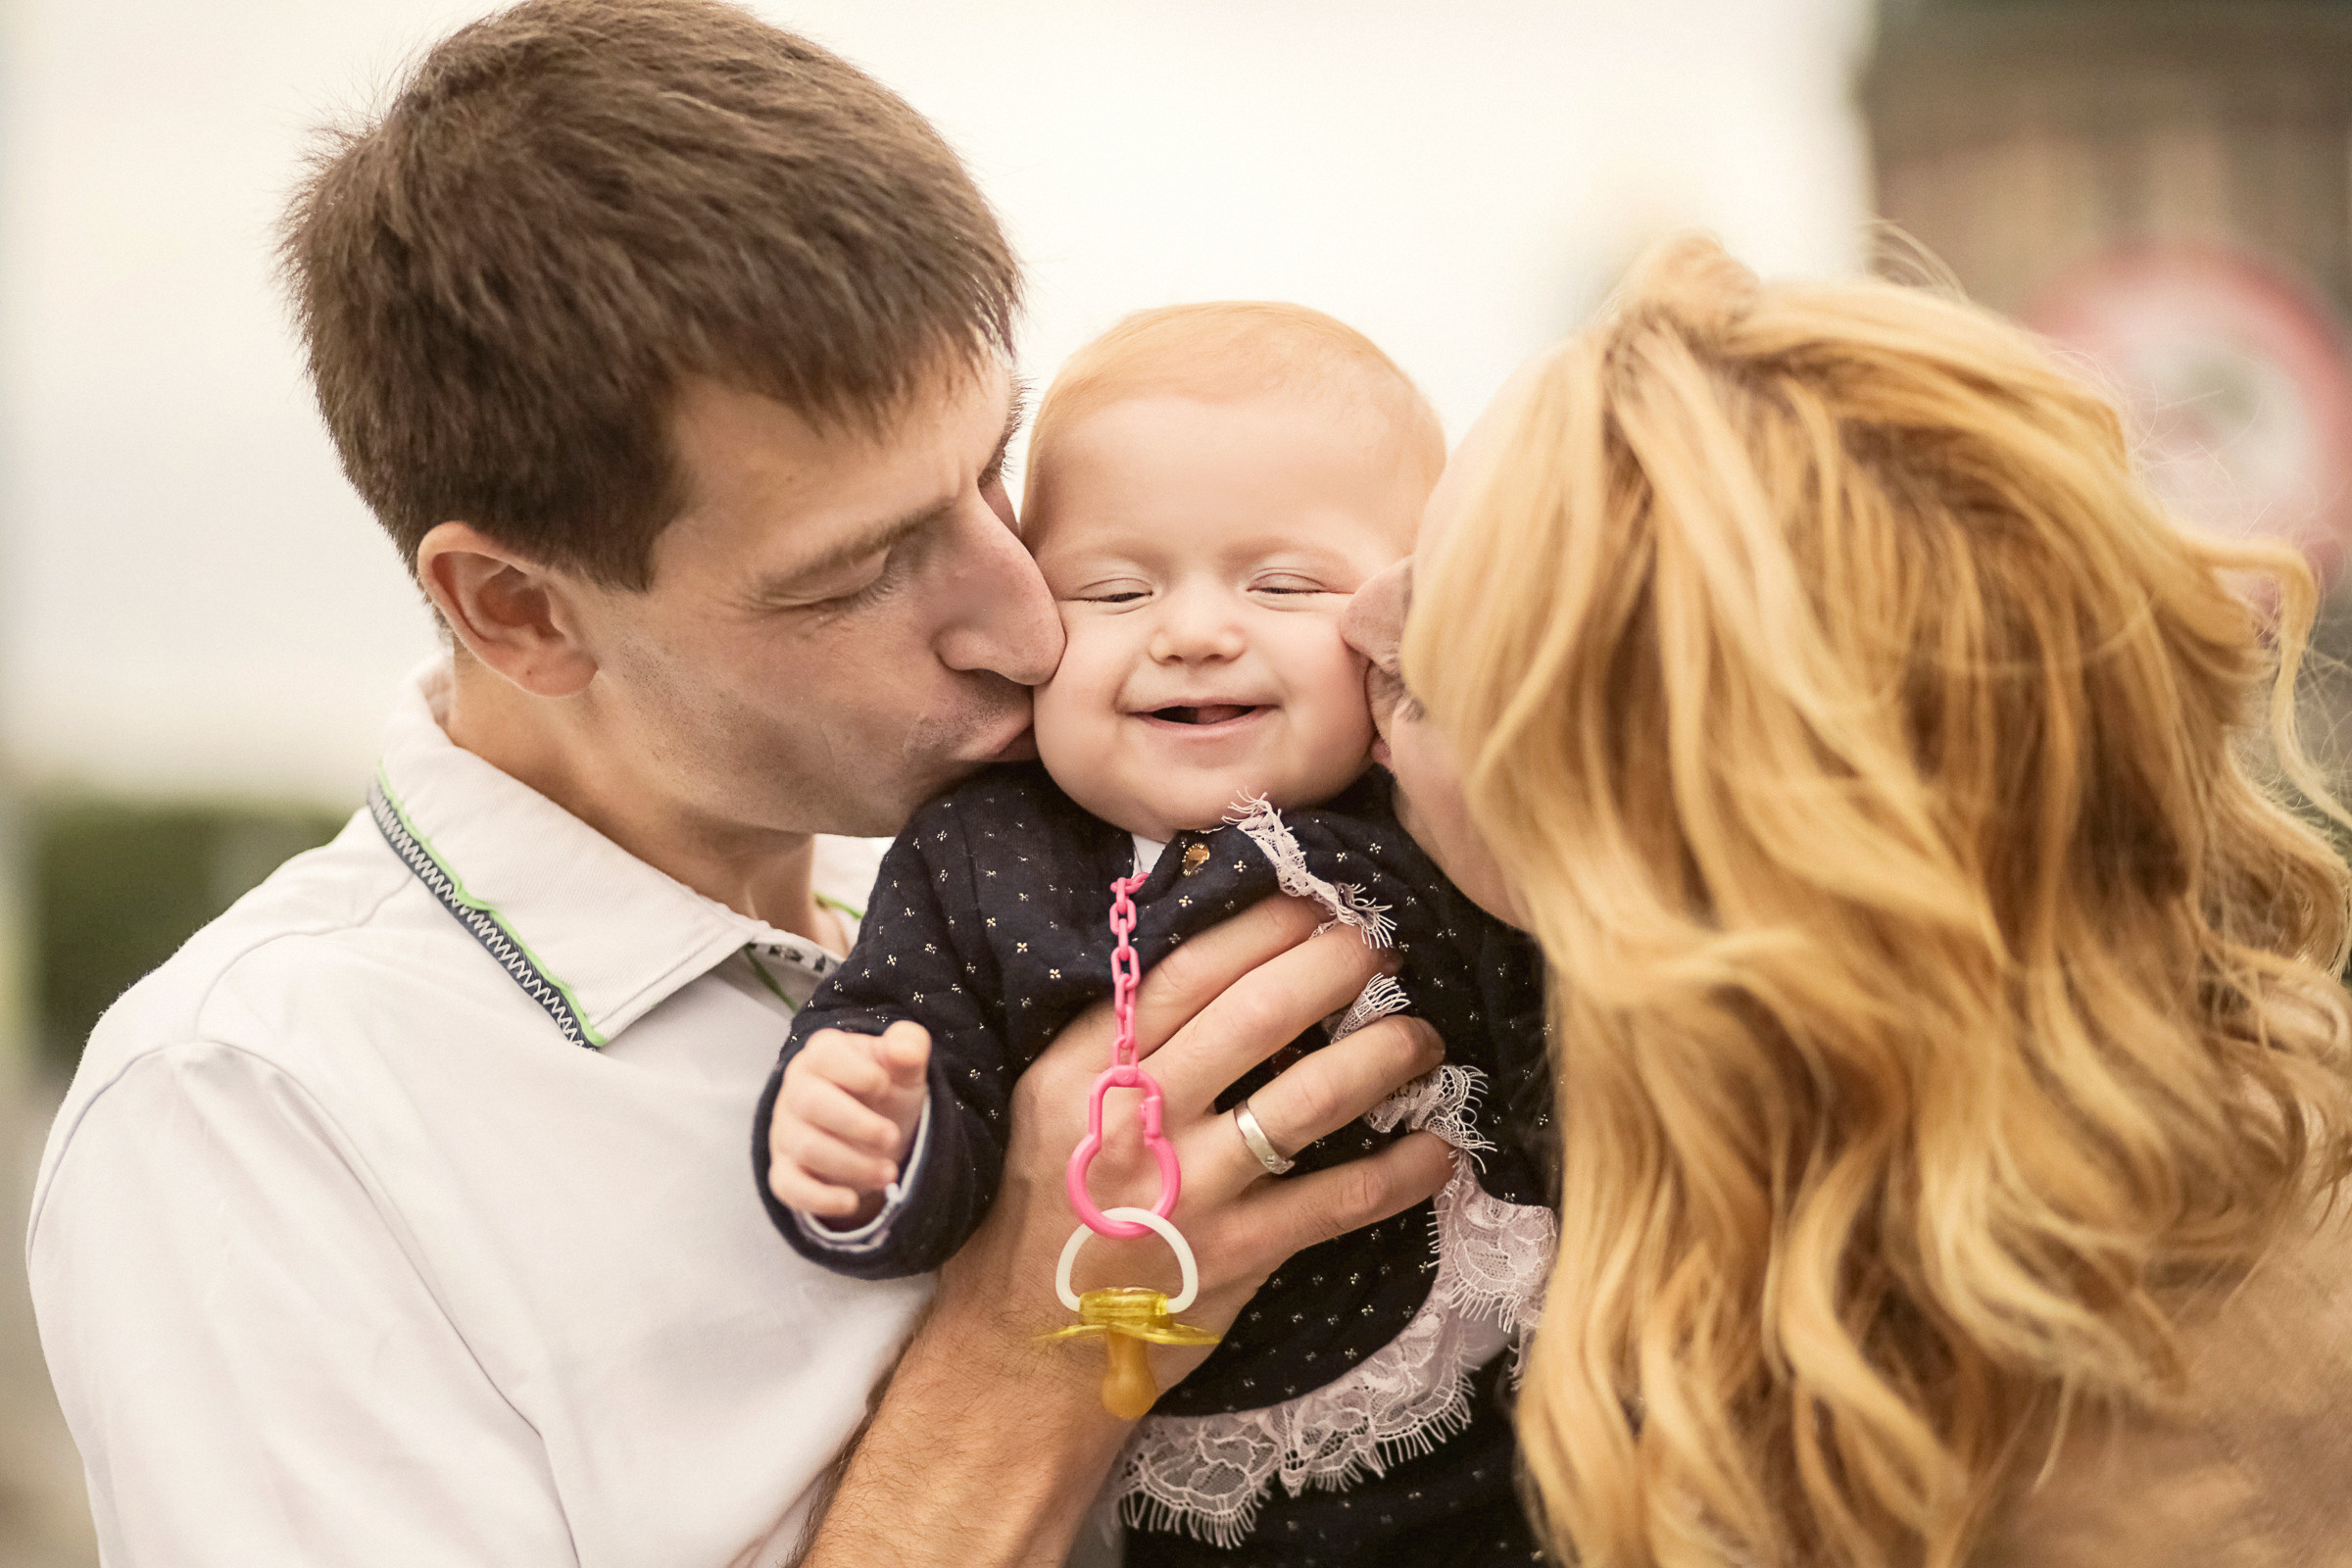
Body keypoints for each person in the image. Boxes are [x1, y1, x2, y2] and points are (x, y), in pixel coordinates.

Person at [24, 5, 1456, 1564]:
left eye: (993, 468)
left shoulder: (1064, 869)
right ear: (519, 611)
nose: (1029, 618)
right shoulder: (255, 1111)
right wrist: (1028, 1363)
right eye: (861, 567)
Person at [1344, 234, 2352, 1568]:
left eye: (1428, 662)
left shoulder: (2102, 1477)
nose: (1346, 623)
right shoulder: (2043, 1203)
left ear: (1654, 849)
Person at [760, 302, 1557, 1563]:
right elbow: (901, 1038)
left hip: (1504, 1425)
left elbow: (1581, 1039)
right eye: (1114, 591)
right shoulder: (979, 856)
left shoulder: (1432, 818)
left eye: (1284, 585)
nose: (1190, 632)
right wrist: (865, 1137)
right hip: (1188, 1489)